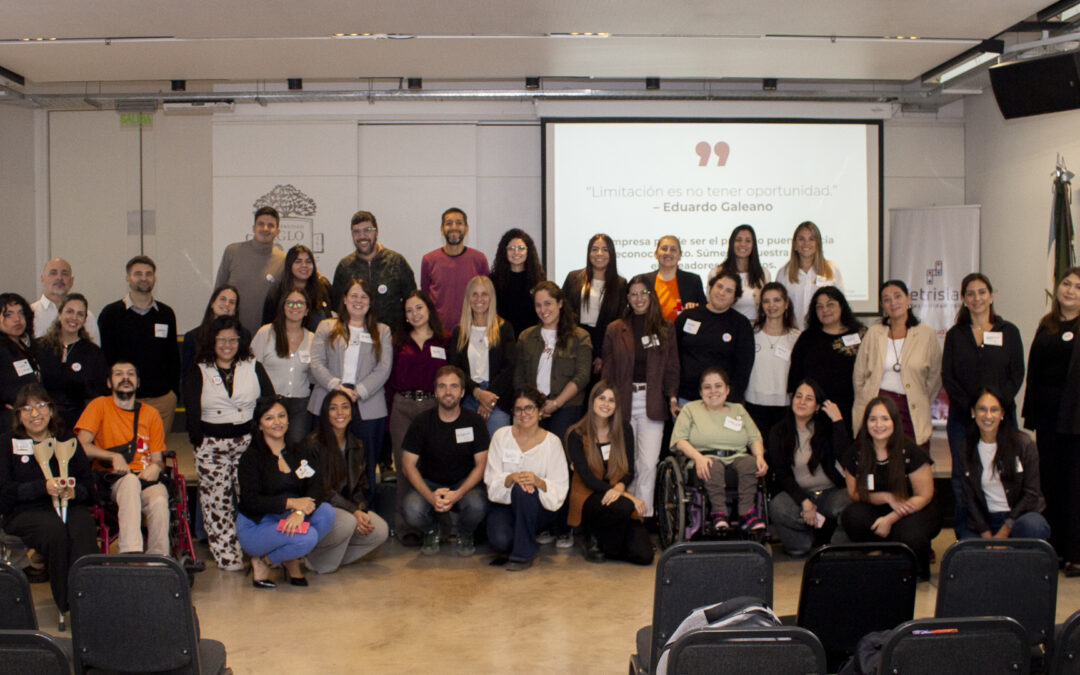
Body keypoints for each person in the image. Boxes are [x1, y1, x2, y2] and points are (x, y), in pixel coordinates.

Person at [183, 315, 275, 571]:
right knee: (218, 504)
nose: (227, 345)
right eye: (221, 339)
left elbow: (269, 401)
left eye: (232, 339)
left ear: (240, 341)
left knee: (252, 498)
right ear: (212, 342)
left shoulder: (253, 366)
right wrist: (198, 441)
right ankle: (228, 557)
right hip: (212, 447)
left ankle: (259, 550)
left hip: (248, 445)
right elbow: (191, 410)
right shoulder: (199, 369)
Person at [0, 384, 97, 625]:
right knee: (56, 532)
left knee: (82, 527)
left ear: (51, 410)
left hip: (68, 506)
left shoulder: (67, 440)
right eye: (27, 408)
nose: (35, 414)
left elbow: (89, 487)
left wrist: (74, 491)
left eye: (41, 406)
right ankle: (67, 604)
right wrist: (41, 487)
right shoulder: (7, 443)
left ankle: (90, 600)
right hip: (25, 512)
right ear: (18, 415)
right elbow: (4, 492)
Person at [942, 273, 1024, 537]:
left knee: (1005, 473)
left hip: (1001, 419)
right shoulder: (955, 335)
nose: (976, 298)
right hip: (963, 418)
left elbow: (1016, 375)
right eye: (970, 293)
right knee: (962, 477)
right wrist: (973, 409)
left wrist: (994, 409)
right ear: (964, 299)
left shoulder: (1008, 332)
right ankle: (967, 534)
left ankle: (1006, 532)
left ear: (990, 296)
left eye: (981, 292)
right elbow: (948, 377)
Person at [601, 273, 679, 518]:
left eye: (643, 293)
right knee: (627, 465)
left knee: (647, 464)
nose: (638, 298)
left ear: (651, 295)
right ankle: (627, 514)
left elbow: (672, 368)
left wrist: (673, 398)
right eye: (633, 294)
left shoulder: (665, 328)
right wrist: (605, 403)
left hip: (652, 403)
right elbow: (607, 370)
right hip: (622, 402)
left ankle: (641, 518)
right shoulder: (615, 329)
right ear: (627, 298)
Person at [308, 278, 392, 505]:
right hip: (328, 399)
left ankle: (364, 513)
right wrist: (336, 386)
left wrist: (359, 391)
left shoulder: (382, 331)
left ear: (370, 302)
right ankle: (327, 512)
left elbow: (383, 368)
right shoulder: (326, 327)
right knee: (325, 462)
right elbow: (316, 363)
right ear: (344, 299)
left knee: (365, 464)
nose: (358, 301)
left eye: (364, 296)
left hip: (368, 405)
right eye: (353, 295)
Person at [237, 396, 336, 588]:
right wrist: (290, 503)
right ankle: (264, 561)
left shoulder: (300, 451)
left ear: (289, 420)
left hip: (288, 518)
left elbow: (316, 486)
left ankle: (279, 558)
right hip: (257, 525)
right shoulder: (251, 458)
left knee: (327, 514)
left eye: (281, 416)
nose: (277, 422)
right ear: (259, 425)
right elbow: (250, 500)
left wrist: (299, 512)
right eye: (269, 418)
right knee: (308, 537)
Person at [74, 360, 169, 555]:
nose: (125, 378)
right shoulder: (99, 405)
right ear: (109, 382)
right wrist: (113, 456)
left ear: (138, 382)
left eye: (130, 374)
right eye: (118, 374)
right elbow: (81, 446)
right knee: (130, 482)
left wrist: (156, 467)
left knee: (159, 499)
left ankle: (158, 559)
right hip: (111, 479)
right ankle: (131, 554)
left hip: (144, 477)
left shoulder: (151, 414)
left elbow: (158, 459)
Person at [840, 396, 941, 580]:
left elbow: (925, 495)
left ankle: (916, 567)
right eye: (873, 419)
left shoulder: (911, 451)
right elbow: (855, 493)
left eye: (885, 419)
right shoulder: (856, 453)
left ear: (895, 421)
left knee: (909, 535)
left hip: (914, 509)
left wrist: (891, 518)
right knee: (852, 515)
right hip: (879, 506)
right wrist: (887, 497)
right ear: (866, 423)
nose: (879, 425)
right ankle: (876, 553)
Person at [1022, 266, 1080, 575]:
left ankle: (1076, 552)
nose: (1070, 290)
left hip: (1076, 420)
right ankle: (1054, 549)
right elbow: (1034, 370)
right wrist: (1031, 412)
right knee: (1051, 483)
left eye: (1078, 287)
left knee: (1075, 486)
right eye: (1066, 283)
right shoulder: (1047, 324)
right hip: (1047, 419)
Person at [401, 366, 490, 556]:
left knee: (478, 504)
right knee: (411, 508)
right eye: (442, 386)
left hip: (464, 484)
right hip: (430, 483)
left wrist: (458, 493)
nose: (448, 392)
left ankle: (465, 533)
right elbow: (407, 465)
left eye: (454, 386)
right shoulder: (421, 422)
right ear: (435, 392)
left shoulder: (474, 421)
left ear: (463, 392)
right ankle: (431, 530)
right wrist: (430, 496)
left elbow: (482, 465)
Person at [565, 382, 653, 565]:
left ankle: (606, 542)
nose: (606, 404)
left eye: (611, 400)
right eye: (602, 398)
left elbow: (629, 471)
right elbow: (588, 479)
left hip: (615, 498)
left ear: (616, 405)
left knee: (645, 556)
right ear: (592, 401)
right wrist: (627, 495)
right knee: (625, 506)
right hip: (588, 497)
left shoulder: (624, 429)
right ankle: (591, 536)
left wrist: (620, 487)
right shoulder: (576, 434)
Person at [671, 367, 768, 531]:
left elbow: (755, 438)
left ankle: (747, 514)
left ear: (727, 390)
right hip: (704, 458)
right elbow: (680, 441)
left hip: (737, 456)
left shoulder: (738, 409)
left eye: (718, 386)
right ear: (701, 392)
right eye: (707, 387)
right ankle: (719, 513)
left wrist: (759, 456)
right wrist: (698, 457)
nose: (713, 391)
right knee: (712, 465)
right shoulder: (690, 409)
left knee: (751, 463)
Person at [484, 386, 569, 571]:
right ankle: (523, 537)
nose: (524, 414)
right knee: (500, 541)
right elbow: (491, 481)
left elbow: (560, 486)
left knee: (524, 491)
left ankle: (524, 555)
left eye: (529, 408)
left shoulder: (552, 442)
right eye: (518, 409)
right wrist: (511, 478)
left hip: (538, 508)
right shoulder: (501, 436)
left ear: (540, 410)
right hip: (505, 506)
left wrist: (538, 482)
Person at [303, 390, 389, 574]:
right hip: (320, 509)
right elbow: (322, 490)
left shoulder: (356, 444)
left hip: (346, 509)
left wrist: (361, 511)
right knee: (348, 522)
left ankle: (326, 558)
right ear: (325, 413)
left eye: (345, 407)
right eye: (333, 408)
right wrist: (353, 511)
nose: (340, 413)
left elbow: (361, 486)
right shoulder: (312, 444)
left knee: (380, 530)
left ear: (352, 412)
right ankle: (314, 557)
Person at [387, 290, 448, 538]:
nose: (414, 314)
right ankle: (406, 528)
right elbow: (389, 381)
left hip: (434, 407)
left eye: (419, 308)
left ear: (429, 309)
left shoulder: (444, 340)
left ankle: (440, 527)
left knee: (435, 466)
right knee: (405, 468)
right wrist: (389, 418)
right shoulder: (398, 342)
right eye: (409, 310)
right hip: (403, 407)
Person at [852, 280, 942, 450]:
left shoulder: (926, 334)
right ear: (882, 306)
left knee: (913, 459)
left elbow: (935, 377)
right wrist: (866, 401)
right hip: (877, 408)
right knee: (874, 459)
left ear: (908, 298)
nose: (893, 303)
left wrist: (919, 398)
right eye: (886, 299)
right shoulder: (874, 333)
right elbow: (859, 376)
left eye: (897, 296)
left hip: (911, 410)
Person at [766, 379, 851, 557]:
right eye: (799, 396)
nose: (802, 402)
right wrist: (804, 501)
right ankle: (806, 541)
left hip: (831, 493)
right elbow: (782, 474)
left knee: (852, 502)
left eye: (809, 398)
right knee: (777, 507)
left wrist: (838, 421)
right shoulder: (778, 432)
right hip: (798, 495)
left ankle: (835, 547)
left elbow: (845, 456)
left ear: (818, 406)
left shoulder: (826, 428)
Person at [98, 256, 181, 434]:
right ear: (128, 278)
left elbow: (172, 356)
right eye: (138, 274)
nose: (144, 278)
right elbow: (106, 358)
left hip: (161, 400)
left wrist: (173, 393)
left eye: (148, 274)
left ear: (154, 278)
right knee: (124, 448)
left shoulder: (166, 314)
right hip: (124, 399)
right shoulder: (111, 314)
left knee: (156, 449)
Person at [958, 387, 1049, 541]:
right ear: (973, 412)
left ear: (1002, 413)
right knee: (965, 548)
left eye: (994, 409)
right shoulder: (965, 448)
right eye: (982, 409)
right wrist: (986, 534)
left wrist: (1005, 530)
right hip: (985, 521)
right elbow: (969, 498)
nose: (988, 415)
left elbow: (1032, 493)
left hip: (1018, 519)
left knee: (1034, 527)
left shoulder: (1024, 444)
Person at [514, 281, 592, 447]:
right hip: (532, 410)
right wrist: (535, 405)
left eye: (548, 303)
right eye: (538, 305)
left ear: (560, 303)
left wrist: (556, 403)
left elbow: (582, 376)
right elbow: (519, 377)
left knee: (560, 453)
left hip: (567, 408)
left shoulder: (580, 337)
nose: (543, 310)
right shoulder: (525, 337)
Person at [787, 286, 866, 436]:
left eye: (830, 304)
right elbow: (795, 377)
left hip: (851, 410)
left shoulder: (861, 335)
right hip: (814, 412)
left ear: (841, 306)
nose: (825, 310)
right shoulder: (807, 338)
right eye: (819, 307)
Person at [448, 275, 515, 437]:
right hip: (468, 397)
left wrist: (488, 399)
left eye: (484, 294)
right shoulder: (459, 332)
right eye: (475, 294)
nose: (479, 299)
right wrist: (477, 392)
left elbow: (509, 367)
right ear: (468, 298)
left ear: (491, 298)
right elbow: (456, 369)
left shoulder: (504, 328)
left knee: (498, 448)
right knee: (467, 449)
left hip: (497, 399)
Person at [673, 270, 754, 405]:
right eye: (719, 286)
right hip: (685, 398)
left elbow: (743, 368)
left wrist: (730, 401)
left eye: (729, 290)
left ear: (735, 298)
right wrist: (672, 395)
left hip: (721, 401)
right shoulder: (688, 316)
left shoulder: (740, 324)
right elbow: (672, 355)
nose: (722, 293)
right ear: (710, 288)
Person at [331, 210, 417, 331]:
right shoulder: (344, 267)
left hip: (393, 335)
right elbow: (337, 306)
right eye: (356, 231)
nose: (362, 236)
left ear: (376, 232)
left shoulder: (396, 262)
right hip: (355, 335)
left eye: (367, 230)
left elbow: (411, 300)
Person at [251, 289, 315, 445]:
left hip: (300, 405)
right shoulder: (266, 333)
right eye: (290, 303)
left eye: (300, 303)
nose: (295, 307)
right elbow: (251, 368)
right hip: (270, 403)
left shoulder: (313, 339)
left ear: (307, 310)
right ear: (282, 307)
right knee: (269, 446)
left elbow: (314, 376)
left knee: (296, 447)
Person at [37, 293, 107, 430]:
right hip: (42, 420)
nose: (74, 317)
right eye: (69, 311)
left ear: (84, 320)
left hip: (80, 422)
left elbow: (100, 394)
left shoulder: (93, 353)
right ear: (59, 315)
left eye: (80, 314)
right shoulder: (40, 347)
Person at [561, 233, 627, 376]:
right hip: (574, 341)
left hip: (603, 342)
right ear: (588, 253)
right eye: (595, 249)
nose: (599, 253)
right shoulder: (573, 277)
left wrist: (602, 354)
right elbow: (563, 312)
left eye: (605, 249)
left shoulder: (620, 284)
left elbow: (619, 322)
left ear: (611, 254)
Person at [214, 205, 286, 335]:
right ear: (254, 228)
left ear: (277, 232)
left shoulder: (283, 260)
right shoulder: (232, 252)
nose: (265, 228)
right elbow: (218, 292)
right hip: (231, 335)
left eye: (270, 225)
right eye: (261, 224)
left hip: (266, 336)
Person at [420, 207, 490, 332]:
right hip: (438, 331)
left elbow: (487, 296)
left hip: (471, 330)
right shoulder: (429, 260)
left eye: (459, 223)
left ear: (466, 228)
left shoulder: (479, 259)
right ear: (442, 229)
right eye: (448, 223)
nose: (454, 227)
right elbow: (425, 298)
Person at [744, 282, 800, 439]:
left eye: (777, 300)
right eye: (766, 301)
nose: (771, 305)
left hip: (785, 405)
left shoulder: (797, 337)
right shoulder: (750, 334)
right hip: (754, 403)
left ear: (786, 304)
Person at [776, 221, 845, 330]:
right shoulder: (783, 273)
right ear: (795, 244)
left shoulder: (832, 269)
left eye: (811, 239)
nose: (806, 243)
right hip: (794, 334)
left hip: (825, 333)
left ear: (818, 244)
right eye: (801, 239)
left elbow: (842, 305)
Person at [490, 228, 546, 338]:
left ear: (528, 251)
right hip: (502, 339)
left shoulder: (538, 279)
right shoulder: (494, 280)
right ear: (504, 251)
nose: (516, 252)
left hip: (531, 339)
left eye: (521, 248)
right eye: (511, 248)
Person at [261, 244, 333, 329]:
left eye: (308, 261)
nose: (304, 265)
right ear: (289, 265)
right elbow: (269, 328)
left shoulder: (323, 287)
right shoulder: (276, 294)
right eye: (298, 261)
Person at [709, 224, 771, 323]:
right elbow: (710, 305)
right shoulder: (717, 272)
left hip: (756, 328)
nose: (743, 244)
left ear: (753, 245)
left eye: (748, 241)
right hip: (725, 326)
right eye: (738, 240)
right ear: (732, 243)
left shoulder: (763, 274)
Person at [31, 258, 100, 344]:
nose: (59, 278)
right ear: (42, 278)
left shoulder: (87, 316)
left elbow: (94, 349)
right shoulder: (31, 313)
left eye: (64, 274)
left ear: (71, 281)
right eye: (53, 273)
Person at [181, 285, 243, 380]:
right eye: (223, 299)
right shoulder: (193, 337)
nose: (227, 304)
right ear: (212, 303)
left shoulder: (243, 335)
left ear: (235, 309)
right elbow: (186, 376)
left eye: (232, 302)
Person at [0, 293, 42, 431]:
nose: (17, 319)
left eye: (21, 313)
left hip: (32, 418)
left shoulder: (26, 347)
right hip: (8, 423)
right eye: (9, 315)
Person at [642, 235, 706, 322]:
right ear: (656, 254)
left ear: (680, 255)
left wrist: (695, 308)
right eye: (664, 248)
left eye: (673, 250)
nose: (668, 253)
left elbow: (704, 310)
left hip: (682, 330)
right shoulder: (644, 280)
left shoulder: (693, 281)